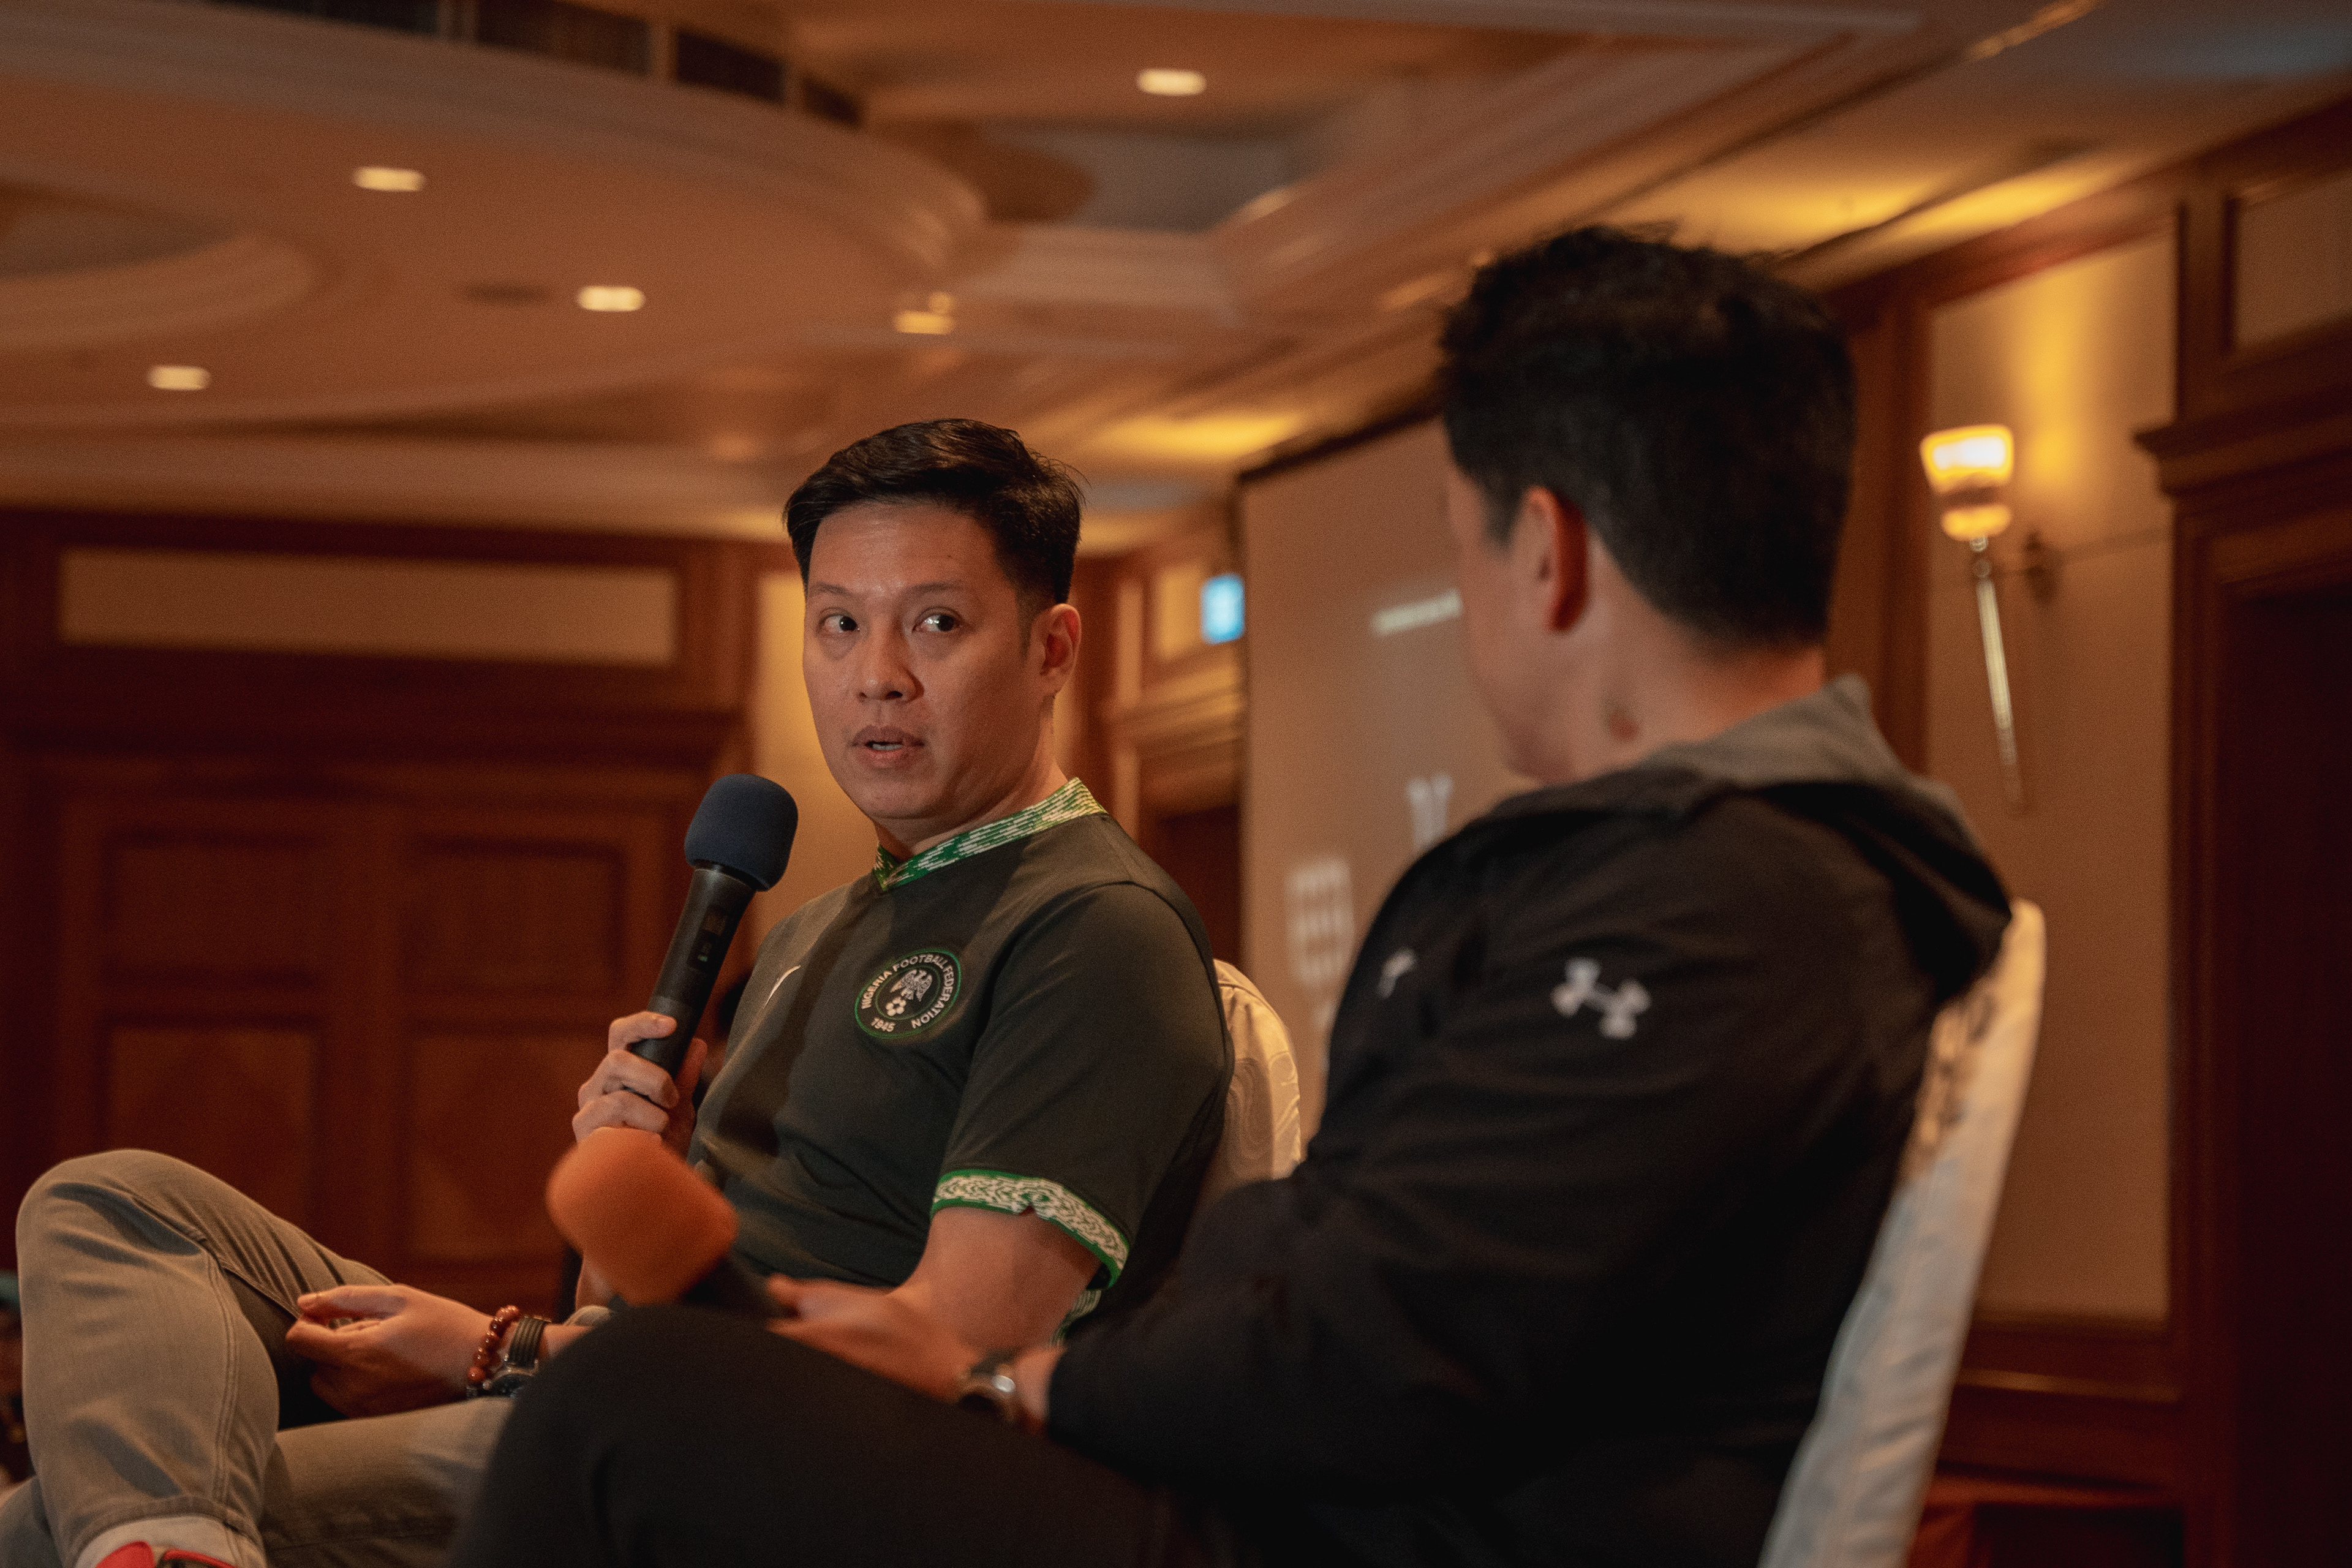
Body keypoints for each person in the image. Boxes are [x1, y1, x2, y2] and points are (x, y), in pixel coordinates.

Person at [445, 227, 2013, 1568]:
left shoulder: (1723, 899)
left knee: (625, 1411)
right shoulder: (1731, 876)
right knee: (653, 1395)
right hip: (1293, 1490)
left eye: (1460, 549)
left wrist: (1015, 1386)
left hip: (1342, 1533)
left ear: (1545, 552)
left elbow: (1387, 1338)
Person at [1, 420, 1229, 1568]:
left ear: (1051, 647)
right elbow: (630, 1300)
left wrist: (502, 1352)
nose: (878, 676)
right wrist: (636, 1173)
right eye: (839, 625)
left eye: (937, 623)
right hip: (624, 1382)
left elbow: (953, 1352)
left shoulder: (1092, 926)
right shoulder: (811, 927)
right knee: (114, 1203)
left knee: (39, 1530)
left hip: (787, 1466)